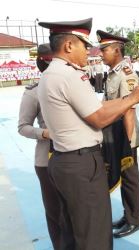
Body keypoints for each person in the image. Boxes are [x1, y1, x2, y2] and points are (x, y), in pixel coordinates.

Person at [37, 18, 139, 250]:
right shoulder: (70, 75)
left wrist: (130, 97)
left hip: (64, 160)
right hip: (81, 164)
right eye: (84, 45)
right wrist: (131, 99)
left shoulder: (52, 73)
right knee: (94, 236)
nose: (89, 51)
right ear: (69, 46)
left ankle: (132, 216)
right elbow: (98, 117)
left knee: (73, 231)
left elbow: (97, 108)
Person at [97, 30, 139, 238]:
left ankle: (135, 219)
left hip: (125, 135)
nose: (101, 54)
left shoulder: (126, 74)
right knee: (125, 178)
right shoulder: (114, 73)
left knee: (130, 177)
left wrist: (127, 142)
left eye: (104, 50)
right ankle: (129, 214)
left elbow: (129, 109)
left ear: (117, 50)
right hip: (115, 133)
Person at [18, 43, 62, 249]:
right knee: (55, 211)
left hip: (73, 156)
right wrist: (44, 133)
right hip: (47, 159)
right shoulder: (33, 92)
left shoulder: (69, 84)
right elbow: (23, 127)